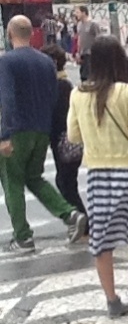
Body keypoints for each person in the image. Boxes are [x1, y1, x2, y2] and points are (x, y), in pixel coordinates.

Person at [66, 36, 128, 318]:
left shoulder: (78, 94)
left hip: (98, 177)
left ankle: (112, 301)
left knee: (101, 241)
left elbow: (73, 136)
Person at [0, 15, 87, 253]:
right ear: (31, 33)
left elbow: (6, 99)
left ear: (9, 34)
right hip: (41, 129)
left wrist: (4, 135)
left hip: (17, 130)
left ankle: (23, 236)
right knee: (34, 177)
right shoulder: (46, 62)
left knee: (12, 183)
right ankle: (69, 214)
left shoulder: (6, 62)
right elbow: (51, 96)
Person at [41, 44, 86, 217]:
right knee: (65, 182)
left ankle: (83, 222)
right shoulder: (61, 84)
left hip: (65, 141)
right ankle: (81, 221)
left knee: (65, 182)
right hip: (65, 140)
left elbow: (59, 116)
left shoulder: (60, 86)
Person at [73, 6, 100, 81]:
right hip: (83, 54)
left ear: (84, 13)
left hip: (91, 53)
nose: (76, 14)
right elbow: (79, 38)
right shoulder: (79, 25)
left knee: (89, 76)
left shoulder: (93, 24)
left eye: (78, 12)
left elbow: (98, 38)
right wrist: (78, 52)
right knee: (83, 75)